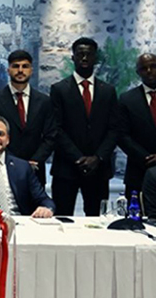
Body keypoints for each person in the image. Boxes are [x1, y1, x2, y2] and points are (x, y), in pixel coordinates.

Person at [50, 37, 118, 216]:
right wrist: (78, 158)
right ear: (73, 57)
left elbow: (114, 129)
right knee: (62, 218)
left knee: (96, 220)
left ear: (96, 58)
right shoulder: (59, 89)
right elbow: (56, 128)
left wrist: (98, 157)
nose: (85, 58)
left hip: (98, 168)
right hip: (67, 167)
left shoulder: (108, 91)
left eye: (89, 54)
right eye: (80, 54)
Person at [0, 50, 56, 186]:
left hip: (35, 169)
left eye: (25, 66)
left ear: (31, 70)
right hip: (3, 168)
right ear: (8, 70)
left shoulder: (44, 101)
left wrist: (36, 160)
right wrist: (12, 161)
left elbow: (51, 135)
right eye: (16, 66)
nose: (20, 70)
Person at [118, 53, 156, 197]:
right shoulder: (127, 99)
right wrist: (146, 158)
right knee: (136, 211)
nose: (149, 71)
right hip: (138, 172)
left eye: (153, 66)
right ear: (137, 72)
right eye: (144, 68)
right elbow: (122, 135)